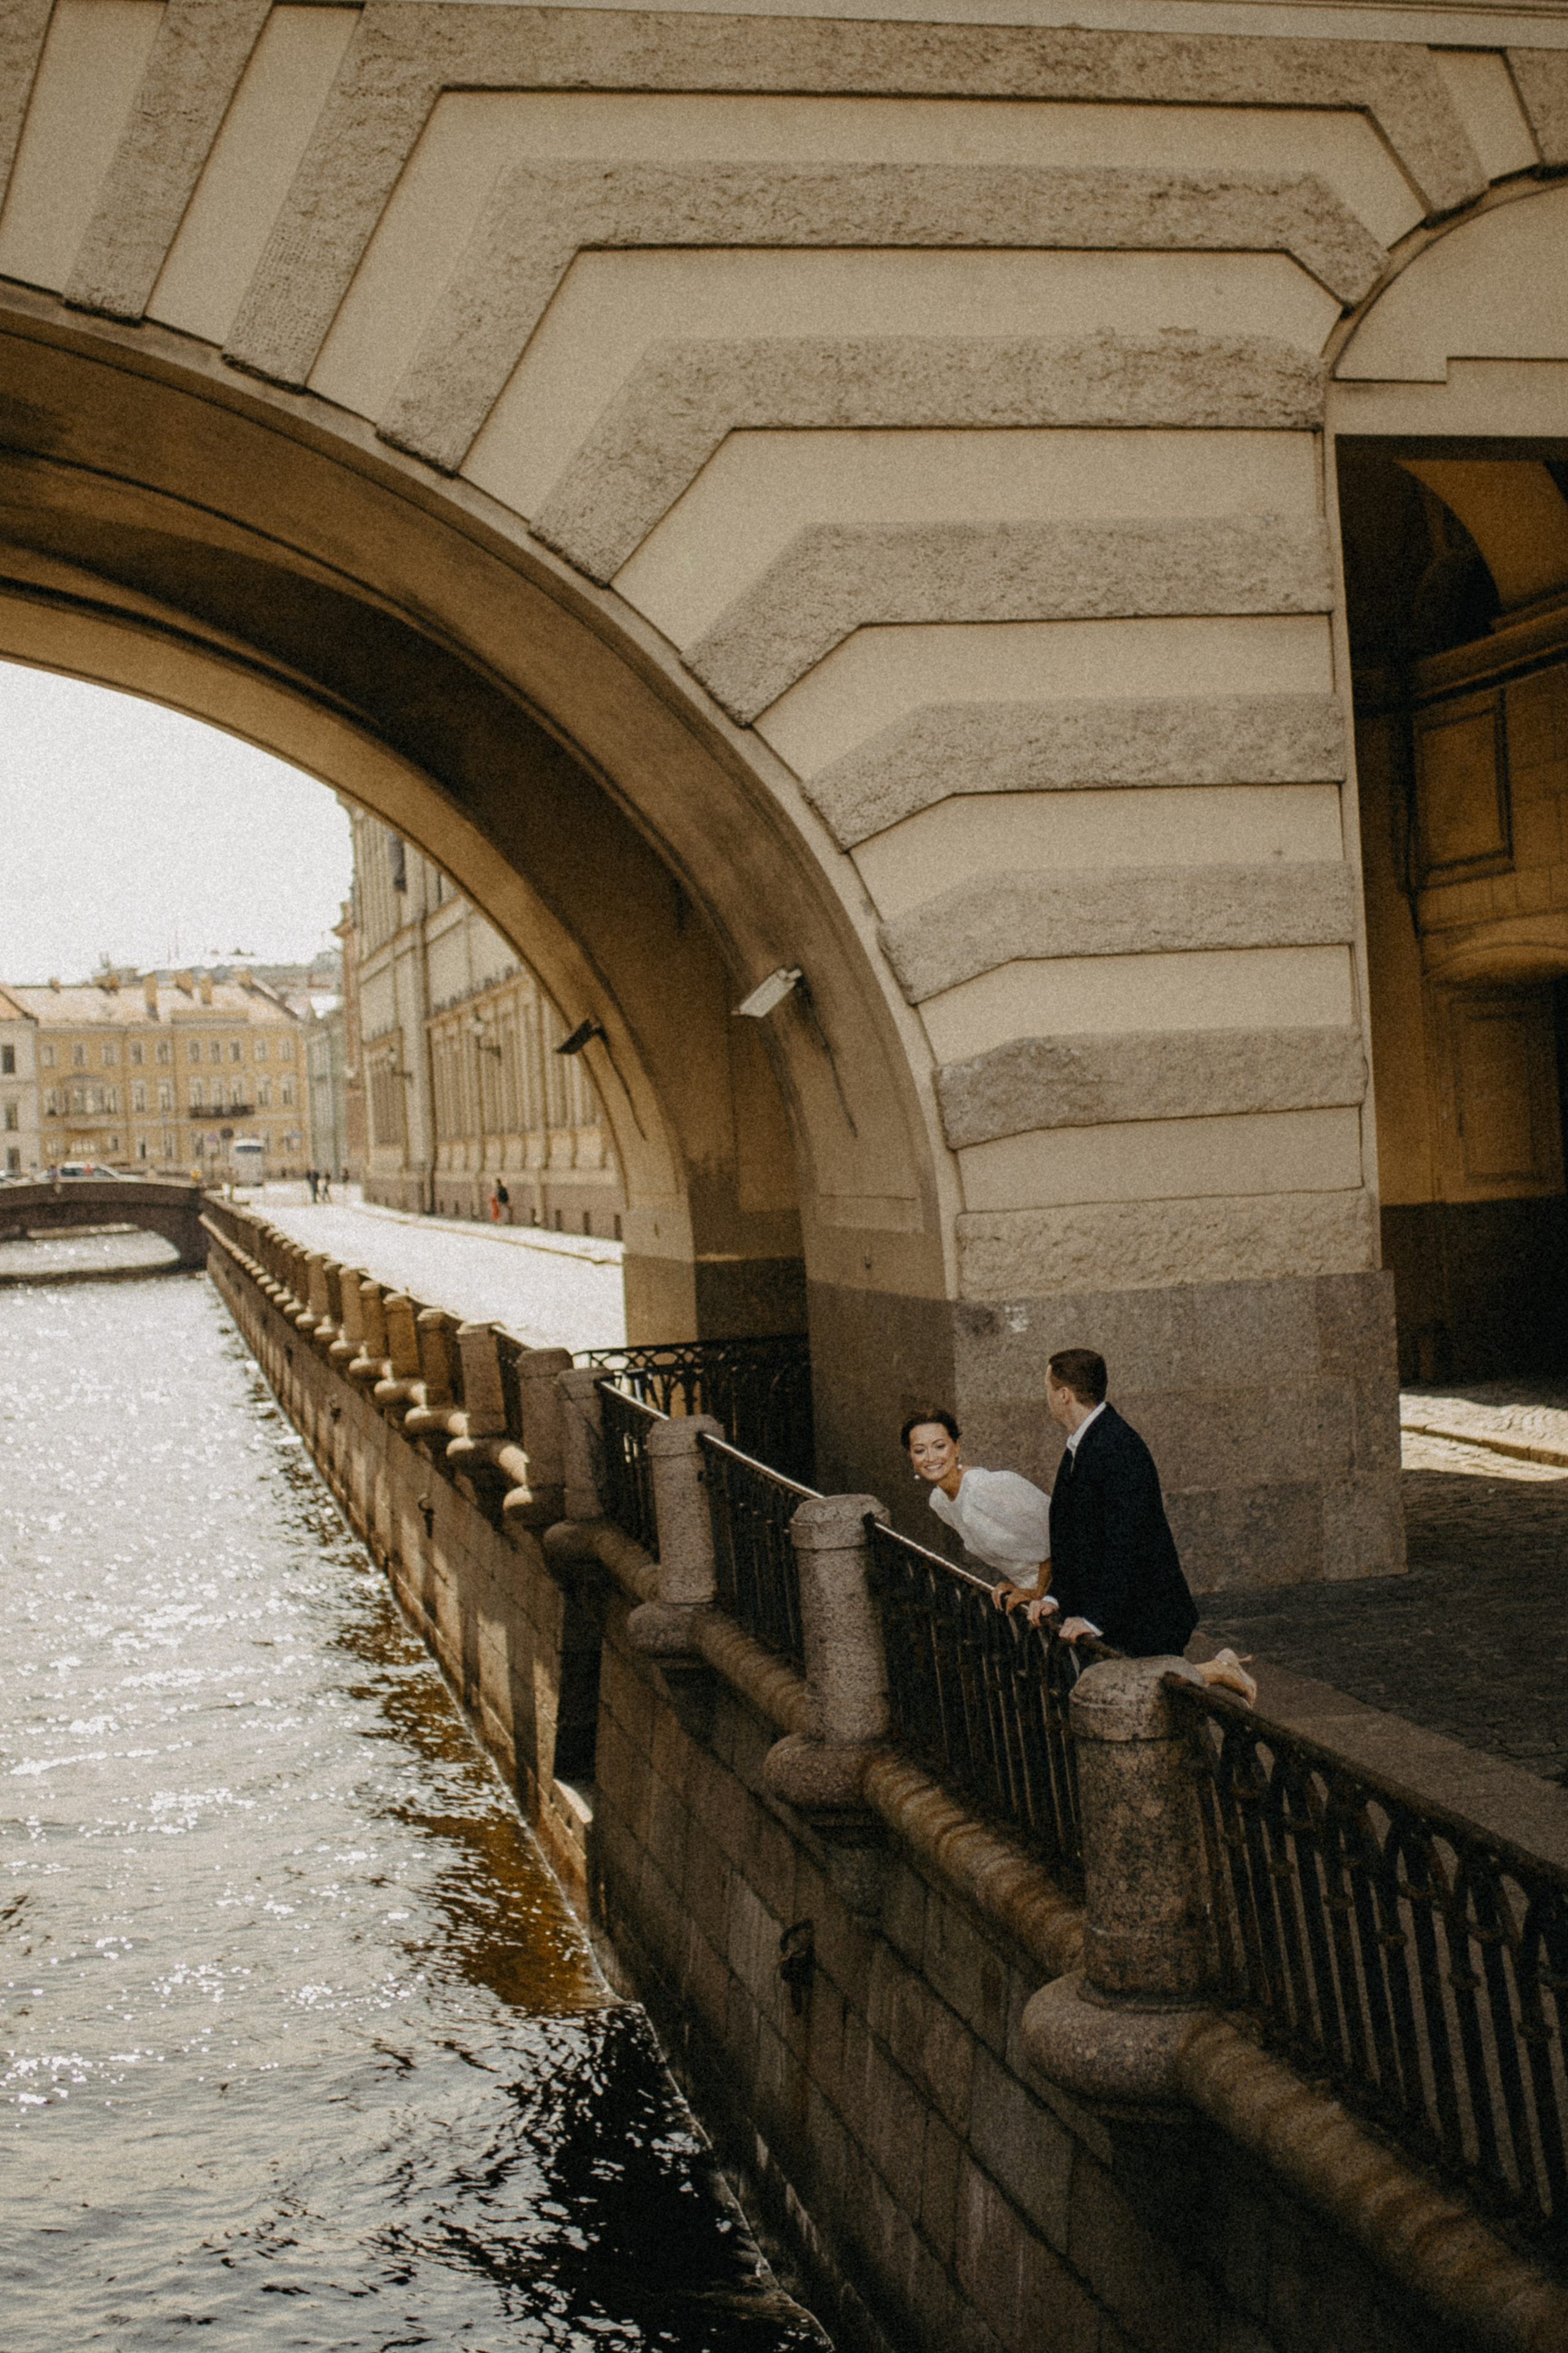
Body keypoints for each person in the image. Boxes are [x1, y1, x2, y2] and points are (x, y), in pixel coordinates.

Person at [902, 1410, 1054, 1615]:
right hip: (1037, 1601)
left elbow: (1060, 1535)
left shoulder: (985, 1488)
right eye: (920, 1450)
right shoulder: (940, 1501)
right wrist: (1019, 1584)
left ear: (957, 1448)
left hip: (1068, 1587)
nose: (930, 1458)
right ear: (911, 1458)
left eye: (940, 1446)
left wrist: (1037, 1590)